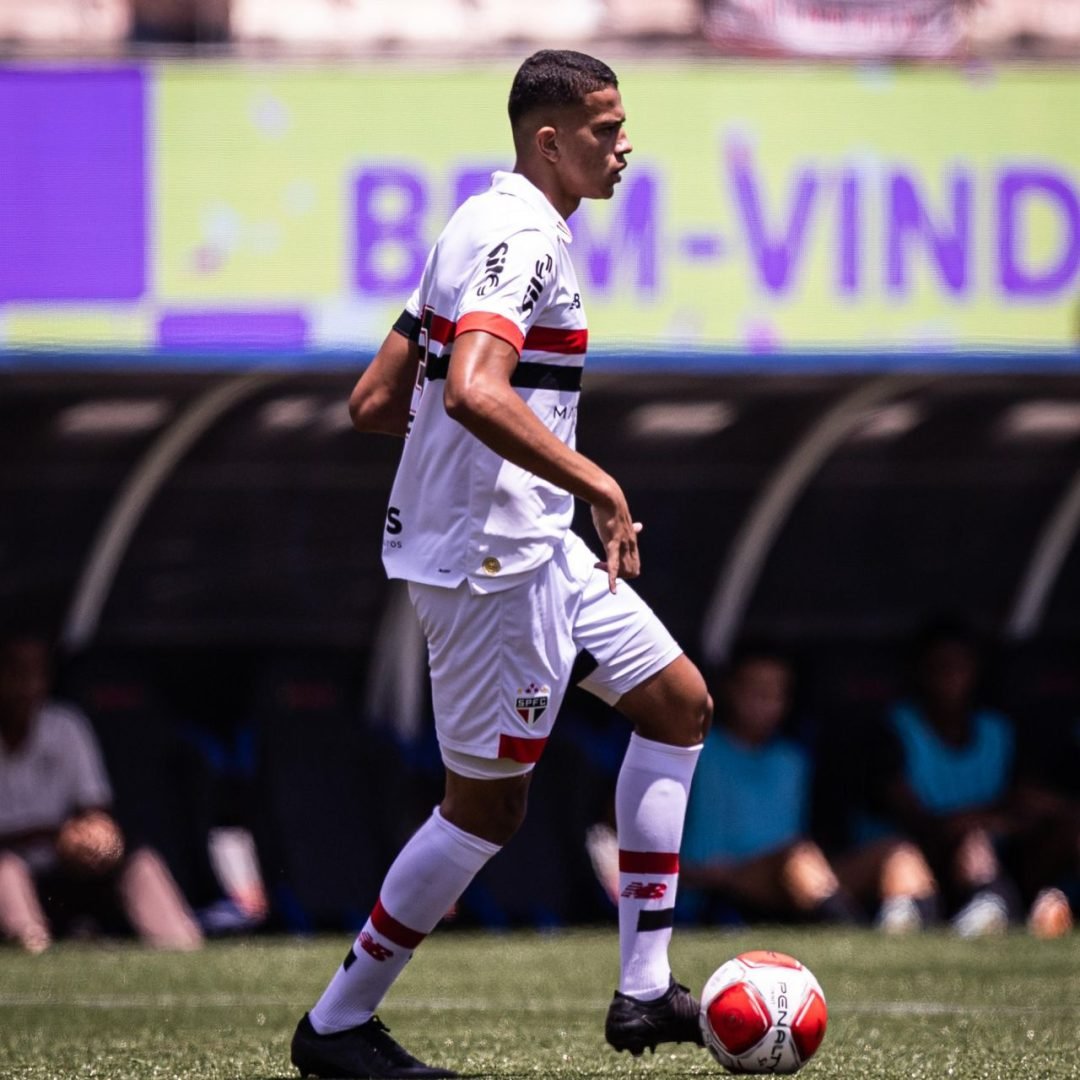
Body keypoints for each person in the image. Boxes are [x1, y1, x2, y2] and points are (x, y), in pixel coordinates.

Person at [290, 49, 712, 1080]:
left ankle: (644, 991)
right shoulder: (523, 237)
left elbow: (378, 402)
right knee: (486, 809)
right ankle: (338, 1026)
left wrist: (480, 469)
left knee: (678, 703)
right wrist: (596, 481)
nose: (624, 148)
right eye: (606, 131)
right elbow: (476, 388)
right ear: (550, 139)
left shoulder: (478, 224)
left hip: (534, 544)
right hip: (494, 565)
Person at [680, 643, 938, 930]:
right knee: (797, 857)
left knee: (899, 851)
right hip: (718, 882)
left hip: (802, 882)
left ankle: (907, 934)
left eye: (778, 693)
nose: (767, 702)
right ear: (729, 690)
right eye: (756, 690)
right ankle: (851, 933)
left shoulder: (793, 759)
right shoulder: (695, 749)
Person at [861, 620, 1072, 937]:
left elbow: (1031, 804)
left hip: (1001, 856)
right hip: (919, 859)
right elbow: (920, 822)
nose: (951, 678)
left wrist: (998, 820)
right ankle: (990, 901)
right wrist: (986, 820)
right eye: (940, 667)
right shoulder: (893, 730)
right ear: (920, 672)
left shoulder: (999, 730)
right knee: (969, 840)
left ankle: (1002, 902)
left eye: (960, 666)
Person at [0, 633, 203, 953]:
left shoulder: (66, 726)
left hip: (63, 869)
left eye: (36, 671)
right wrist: (50, 834)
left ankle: (183, 945)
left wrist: (95, 838)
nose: (27, 684)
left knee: (141, 861)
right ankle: (30, 945)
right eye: (15, 671)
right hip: (13, 871)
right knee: (6, 871)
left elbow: (96, 809)